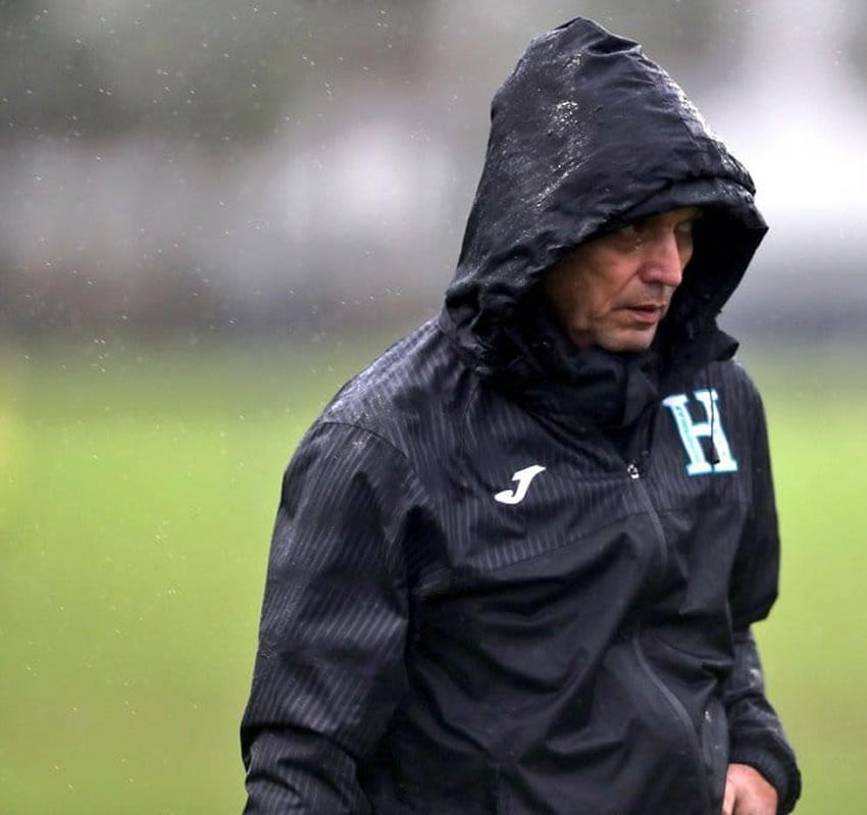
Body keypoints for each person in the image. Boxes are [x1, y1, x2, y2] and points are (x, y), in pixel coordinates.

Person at [240, 17, 800, 815]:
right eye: (635, 231)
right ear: (546, 234)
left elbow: (724, 626)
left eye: (683, 231)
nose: (670, 268)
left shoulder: (715, 401)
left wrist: (753, 745)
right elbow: (304, 761)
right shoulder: (383, 445)